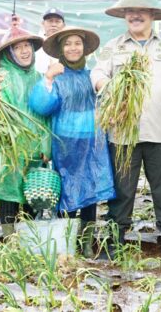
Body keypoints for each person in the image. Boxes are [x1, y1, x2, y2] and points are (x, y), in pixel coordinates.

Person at [91, 0, 161, 262]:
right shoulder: (114, 47)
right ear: (124, 16)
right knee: (122, 194)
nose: (135, 15)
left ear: (153, 15)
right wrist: (107, 87)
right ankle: (113, 246)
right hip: (122, 136)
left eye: (141, 11)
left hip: (160, 134)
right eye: (130, 11)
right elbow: (98, 73)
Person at [29, 26, 115, 257]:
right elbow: (41, 106)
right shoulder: (56, 77)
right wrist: (48, 78)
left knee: (90, 191)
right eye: (67, 44)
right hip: (65, 144)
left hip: (91, 142)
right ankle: (66, 241)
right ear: (60, 49)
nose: (73, 48)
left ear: (85, 48)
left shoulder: (93, 76)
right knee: (66, 190)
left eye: (77, 43)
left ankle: (86, 243)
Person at [0, 26, 50, 237]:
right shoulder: (0, 78)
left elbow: (46, 115)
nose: (24, 51)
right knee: (9, 192)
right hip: (10, 146)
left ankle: (29, 237)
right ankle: (9, 237)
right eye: (18, 48)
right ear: (10, 53)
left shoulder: (40, 78)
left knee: (33, 192)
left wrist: (46, 145)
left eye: (27, 46)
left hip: (34, 146)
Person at [34, 8, 66, 74]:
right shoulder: (35, 44)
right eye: (50, 21)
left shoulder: (68, 45)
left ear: (63, 25)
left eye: (57, 21)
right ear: (43, 23)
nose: (53, 25)